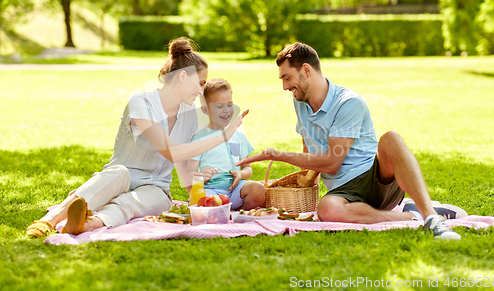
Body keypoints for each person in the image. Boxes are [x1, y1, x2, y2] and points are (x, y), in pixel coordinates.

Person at [236, 42, 466, 240]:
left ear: (306, 70)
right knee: (326, 209)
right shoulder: (300, 102)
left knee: (391, 138)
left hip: (374, 179)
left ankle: (432, 218)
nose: (285, 86)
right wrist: (297, 182)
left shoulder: (348, 103)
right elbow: (310, 154)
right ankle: (410, 216)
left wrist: (276, 155)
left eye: (287, 78)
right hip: (344, 193)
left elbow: (331, 163)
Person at [26, 37, 248, 238]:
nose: (202, 91)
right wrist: (223, 136)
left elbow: (189, 158)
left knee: (139, 203)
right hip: (121, 176)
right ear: (182, 76)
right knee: (119, 174)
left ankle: (86, 224)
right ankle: (49, 220)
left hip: (156, 188)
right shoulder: (141, 102)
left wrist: (201, 186)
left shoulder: (189, 115)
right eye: (200, 83)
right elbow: (171, 152)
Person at [188, 78, 265, 210]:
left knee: (258, 189)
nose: (226, 110)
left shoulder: (238, 135)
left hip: (235, 190)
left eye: (229, 105)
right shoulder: (199, 138)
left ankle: (238, 212)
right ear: (205, 110)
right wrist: (201, 177)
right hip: (210, 191)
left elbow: (248, 168)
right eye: (219, 106)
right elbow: (189, 173)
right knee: (199, 201)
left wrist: (240, 175)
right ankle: (222, 211)